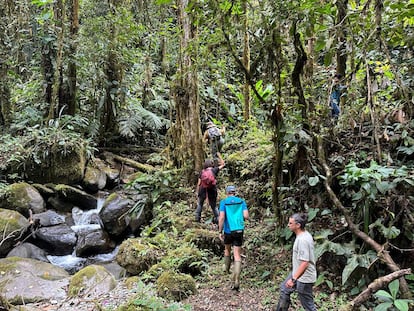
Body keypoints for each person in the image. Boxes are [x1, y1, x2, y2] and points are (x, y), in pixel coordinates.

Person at [275, 213, 317, 311]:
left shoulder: (303, 240)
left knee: (308, 306)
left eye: (290, 223)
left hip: (304, 278)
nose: (288, 225)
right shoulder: (304, 234)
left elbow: (305, 263)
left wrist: (293, 279)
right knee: (284, 289)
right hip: (298, 273)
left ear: (298, 225)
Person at [218, 185, 249, 291]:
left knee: (227, 249)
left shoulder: (223, 202)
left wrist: (219, 230)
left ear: (227, 192)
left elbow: (221, 217)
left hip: (227, 230)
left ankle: (226, 269)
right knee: (237, 254)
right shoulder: (241, 202)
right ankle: (236, 279)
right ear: (234, 192)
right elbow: (246, 216)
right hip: (239, 229)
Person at [195, 155, 225, 224]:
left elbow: (199, 183)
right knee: (214, 206)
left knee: (200, 204)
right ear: (211, 164)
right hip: (212, 190)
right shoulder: (214, 170)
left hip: (202, 189)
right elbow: (223, 164)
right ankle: (218, 220)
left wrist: (197, 192)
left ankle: (197, 219)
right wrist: (219, 155)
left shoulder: (202, 172)